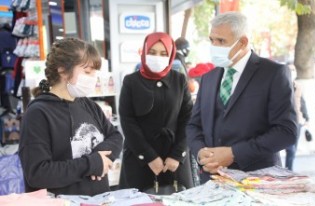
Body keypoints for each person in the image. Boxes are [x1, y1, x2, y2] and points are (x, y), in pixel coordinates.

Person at [186, 12, 297, 184]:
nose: (214, 46)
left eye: (221, 41)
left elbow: (286, 132)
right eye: (211, 40)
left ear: (243, 42)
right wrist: (201, 152)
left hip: (257, 180)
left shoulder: (273, 73)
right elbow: (194, 125)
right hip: (211, 181)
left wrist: (233, 153)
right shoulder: (209, 78)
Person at [19, 38, 123, 196]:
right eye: (87, 72)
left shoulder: (88, 105)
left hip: (99, 199)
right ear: (62, 70)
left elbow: (115, 137)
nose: (93, 78)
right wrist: (91, 164)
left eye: (95, 72)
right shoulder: (38, 113)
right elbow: (37, 174)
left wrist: (99, 159)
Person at [119, 32, 194, 191]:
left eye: (163, 53)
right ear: (144, 52)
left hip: (174, 161)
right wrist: (149, 157)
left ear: (171, 54)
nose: (157, 57)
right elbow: (127, 121)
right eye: (152, 52)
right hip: (139, 159)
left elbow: (188, 119)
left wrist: (177, 154)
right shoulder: (131, 81)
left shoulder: (179, 80)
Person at [285, 80, 309, 170]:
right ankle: (287, 169)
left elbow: (302, 102)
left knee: (293, 148)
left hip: (297, 121)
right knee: (290, 148)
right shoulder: (281, 84)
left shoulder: (298, 87)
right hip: (286, 120)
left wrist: (306, 117)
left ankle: (289, 169)